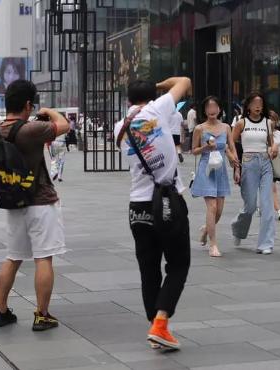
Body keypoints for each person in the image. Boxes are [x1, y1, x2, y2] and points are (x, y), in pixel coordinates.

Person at [114, 77, 192, 350]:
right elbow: (184, 81)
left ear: (127, 100)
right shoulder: (158, 109)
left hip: (138, 207)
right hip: (168, 202)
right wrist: (160, 86)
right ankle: (160, 323)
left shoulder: (119, 128)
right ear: (153, 96)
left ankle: (156, 330)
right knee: (179, 264)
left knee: (149, 270)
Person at [0, 80, 70, 331]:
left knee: (12, 257)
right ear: (27, 104)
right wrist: (49, 113)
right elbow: (65, 125)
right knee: (43, 258)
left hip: (13, 200)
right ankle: (42, 314)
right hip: (40, 201)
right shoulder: (32, 129)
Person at [191, 96, 239, 257]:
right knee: (211, 207)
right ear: (204, 111)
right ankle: (213, 245)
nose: (212, 110)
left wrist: (236, 168)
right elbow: (194, 150)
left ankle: (206, 229)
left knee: (218, 211)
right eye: (208, 107)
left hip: (221, 170)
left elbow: (232, 148)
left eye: (215, 107)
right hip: (206, 169)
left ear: (219, 109)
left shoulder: (226, 127)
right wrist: (205, 147)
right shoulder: (200, 128)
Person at [231, 92, 278, 255]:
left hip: (265, 163)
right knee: (250, 206)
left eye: (261, 103)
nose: (258, 106)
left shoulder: (268, 123)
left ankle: (266, 244)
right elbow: (231, 145)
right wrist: (236, 167)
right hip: (248, 163)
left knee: (267, 205)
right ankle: (238, 230)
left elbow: (271, 144)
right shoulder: (241, 123)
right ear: (248, 106)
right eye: (255, 103)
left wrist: (274, 149)